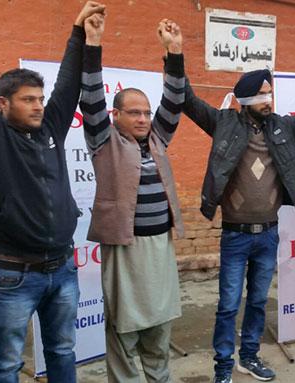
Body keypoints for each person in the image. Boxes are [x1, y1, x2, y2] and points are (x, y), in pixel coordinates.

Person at [0, 1, 105, 381]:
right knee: (6, 363)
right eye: (29, 100)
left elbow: (69, 85)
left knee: (62, 351)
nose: (39, 106)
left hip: (63, 268)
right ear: (3, 103)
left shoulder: (50, 130)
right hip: (14, 276)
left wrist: (78, 31)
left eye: (40, 99)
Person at [180, 42, 295, 383]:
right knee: (228, 305)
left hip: (267, 234)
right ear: (247, 99)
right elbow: (187, 100)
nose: (270, 100)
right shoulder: (223, 123)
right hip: (235, 236)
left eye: (271, 93)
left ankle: (249, 357)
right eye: (264, 94)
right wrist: (175, 55)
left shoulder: (281, 128)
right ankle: (223, 368)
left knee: (257, 303)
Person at [78, 16, 186, 382]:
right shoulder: (103, 141)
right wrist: (92, 42)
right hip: (125, 251)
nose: (143, 119)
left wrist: (174, 52)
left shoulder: (157, 140)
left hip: (160, 248)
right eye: (134, 112)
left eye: (146, 112)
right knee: (124, 332)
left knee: (159, 328)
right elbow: (90, 95)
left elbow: (174, 99)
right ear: (116, 115)